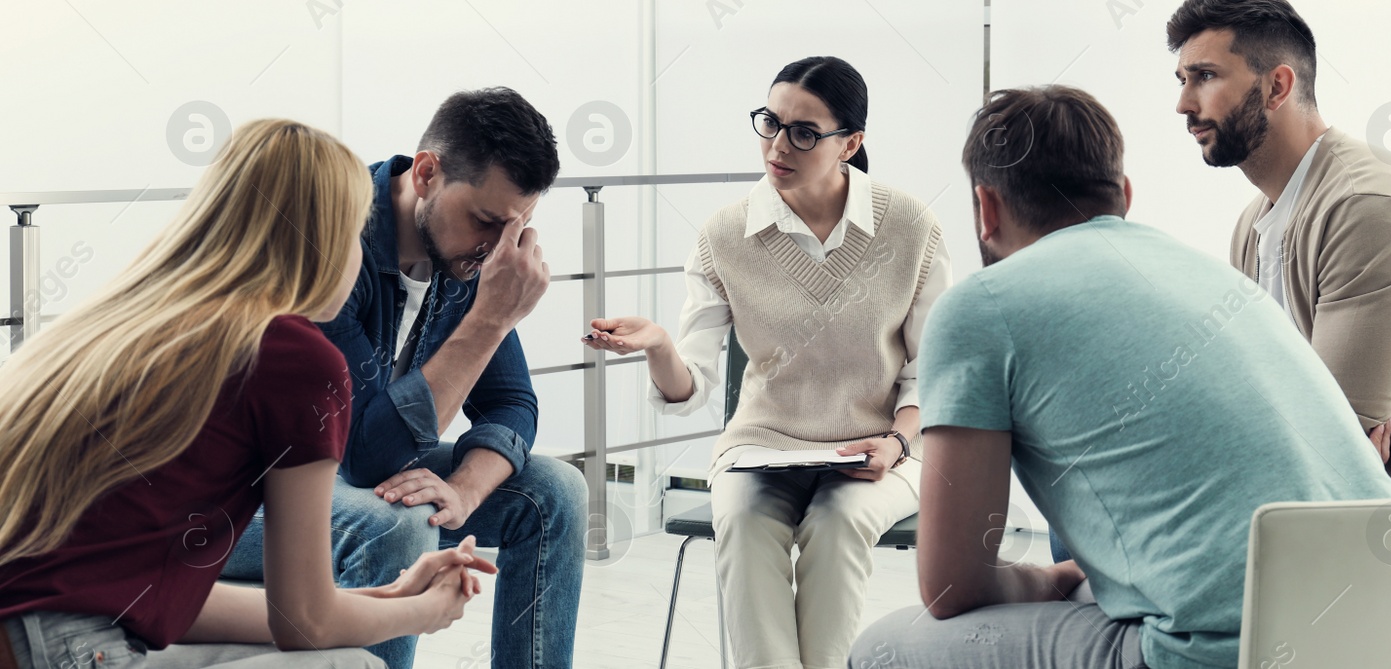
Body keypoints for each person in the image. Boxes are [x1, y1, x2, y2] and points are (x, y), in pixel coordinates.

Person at [849, 85, 1391, 669]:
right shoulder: (1213, 278)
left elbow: (950, 587)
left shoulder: (980, 307)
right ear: (1124, 198)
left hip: (1225, 656)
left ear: (987, 208)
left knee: (881, 648)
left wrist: (1047, 581)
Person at [0, 119, 493, 668]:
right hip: (66, 648)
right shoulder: (292, 358)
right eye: (355, 231)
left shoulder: (127, 322)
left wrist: (390, 597)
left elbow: (164, 602)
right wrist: (425, 614)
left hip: (37, 636)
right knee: (349, 666)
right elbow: (304, 622)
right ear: (324, 239)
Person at [583, 56, 951, 669]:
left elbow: (930, 370)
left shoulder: (910, 226)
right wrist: (658, 347)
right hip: (763, 445)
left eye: (804, 133)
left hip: (881, 447)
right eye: (770, 124)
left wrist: (895, 442)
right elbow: (691, 387)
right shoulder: (725, 236)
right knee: (746, 528)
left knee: (837, 528)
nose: (778, 146)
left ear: (850, 143)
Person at [218, 88, 588, 669]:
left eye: (516, 229)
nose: (497, 251)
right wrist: (491, 318)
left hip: (344, 469)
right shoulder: (336, 240)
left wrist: (465, 489)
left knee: (557, 492)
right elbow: (364, 454)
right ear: (427, 172)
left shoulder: (467, 253)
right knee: (397, 524)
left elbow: (512, 401)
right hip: (252, 490)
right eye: (486, 221)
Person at [1167, 0, 1391, 494]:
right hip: (1331, 500)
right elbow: (1260, 406)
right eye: (1182, 80)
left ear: (1277, 86)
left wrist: (1311, 430)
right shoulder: (1255, 223)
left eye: (1204, 76)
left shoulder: (1370, 209)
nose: (1184, 104)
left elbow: (1330, 442)